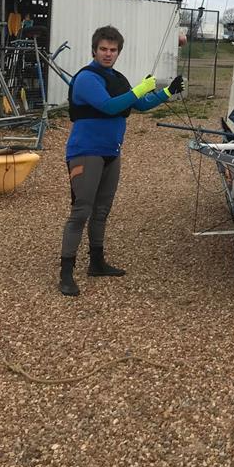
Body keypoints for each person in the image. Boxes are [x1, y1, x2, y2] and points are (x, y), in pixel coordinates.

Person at [58, 24, 183, 297]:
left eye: (113, 50)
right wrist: (139, 89)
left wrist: (167, 92)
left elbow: (138, 105)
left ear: (118, 53)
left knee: (102, 210)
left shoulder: (117, 78)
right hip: (85, 152)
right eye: (103, 49)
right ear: (94, 49)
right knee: (82, 211)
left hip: (111, 153)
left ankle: (97, 262)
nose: (107, 54)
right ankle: (66, 273)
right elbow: (109, 106)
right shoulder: (87, 79)